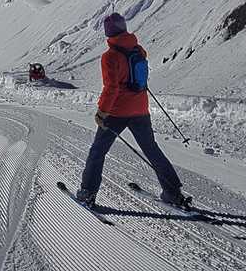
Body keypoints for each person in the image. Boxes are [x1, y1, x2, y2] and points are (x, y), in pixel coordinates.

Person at [76, 12, 190, 209]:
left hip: (116, 113)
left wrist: (102, 112)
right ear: (124, 27)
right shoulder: (139, 50)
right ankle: (172, 191)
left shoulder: (110, 56)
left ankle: (88, 192)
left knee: (97, 151)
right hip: (140, 109)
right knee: (151, 149)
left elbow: (111, 88)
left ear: (108, 32)